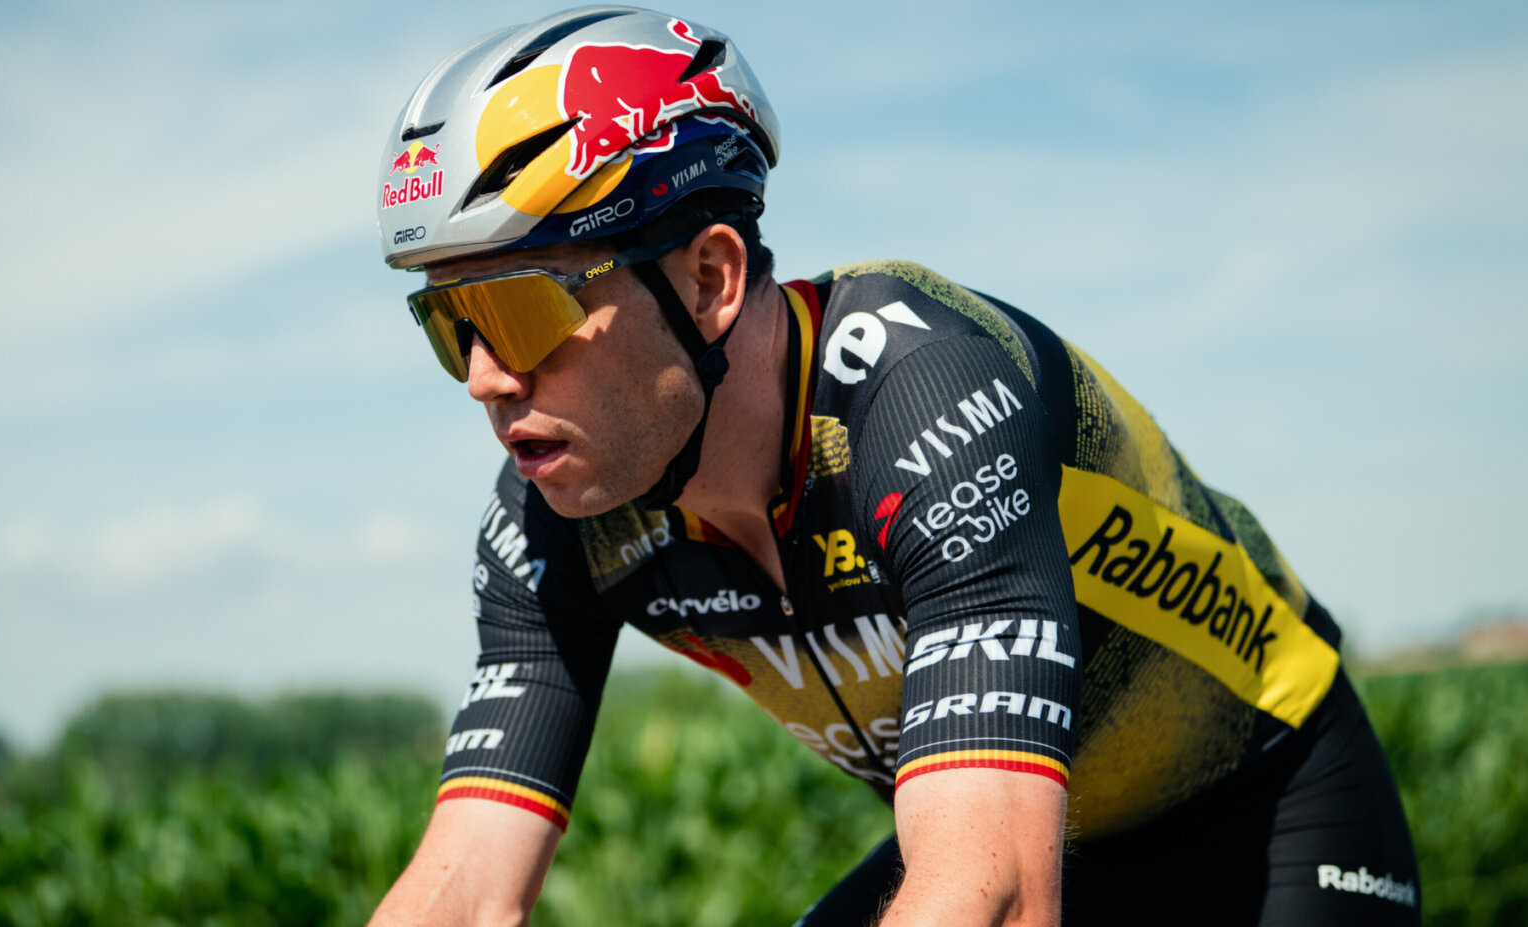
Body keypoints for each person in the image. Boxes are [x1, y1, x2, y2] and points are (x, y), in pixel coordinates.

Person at [365, 7, 1419, 925]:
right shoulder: (556, 513)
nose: (485, 377)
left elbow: (995, 897)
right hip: (1046, 833)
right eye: (451, 324)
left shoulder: (923, 391)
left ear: (708, 279)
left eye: (518, 311)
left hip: (1264, 810)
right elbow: (462, 888)